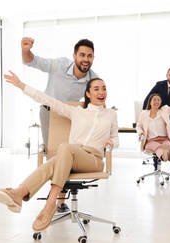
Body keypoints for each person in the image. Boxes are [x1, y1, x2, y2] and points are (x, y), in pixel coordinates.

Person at [0, 71, 119, 232]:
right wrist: (21, 85)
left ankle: (49, 203)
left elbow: (116, 138)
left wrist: (112, 142)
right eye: (96, 89)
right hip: (69, 157)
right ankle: (19, 194)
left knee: (64, 148)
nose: (101, 92)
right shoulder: (76, 112)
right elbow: (47, 100)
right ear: (88, 93)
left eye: (104, 88)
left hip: (93, 160)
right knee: (59, 156)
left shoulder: (111, 114)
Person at [22, 37, 98, 213]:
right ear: (74, 55)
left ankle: (60, 202)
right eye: (82, 55)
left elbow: (96, 102)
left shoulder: (93, 79)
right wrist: (26, 50)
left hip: (70, 116)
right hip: (50, 112)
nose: (86, 59)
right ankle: (54, 198)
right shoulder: (59, 65)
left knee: (69, 155)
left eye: (90, 56)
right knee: (54, 154)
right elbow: (33, 61)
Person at [142, 67, 170, 178]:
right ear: (166, 75)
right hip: (157, 115)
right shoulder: (159, 84)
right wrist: (145, 112)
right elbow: (149, 97)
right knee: (156, 141)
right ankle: (157, 167)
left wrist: (166, 113)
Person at [137, 88, 170, 166]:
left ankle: (168, 154)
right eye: (154, 100)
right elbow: (139, 126)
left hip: (164, 138)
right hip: (150, 140)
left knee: (167, 145)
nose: (157, 102)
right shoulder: (144, 113)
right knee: (158, 147)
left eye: (159, 100)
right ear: (150, 102)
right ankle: (164, 155)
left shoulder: (165, 110)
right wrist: (140, 132)